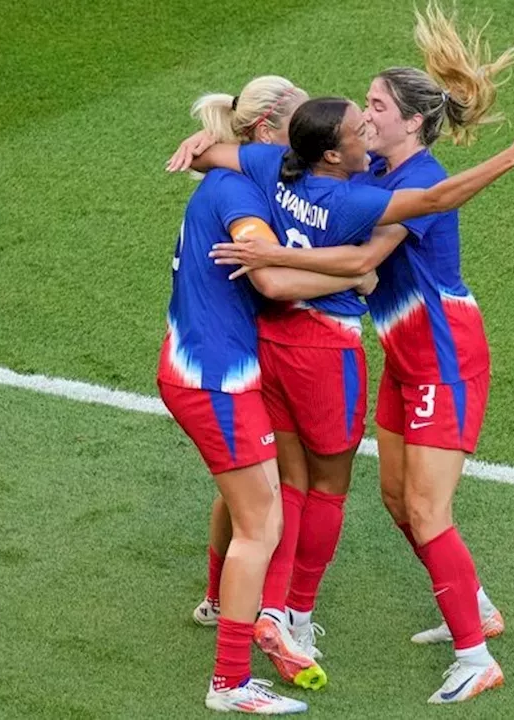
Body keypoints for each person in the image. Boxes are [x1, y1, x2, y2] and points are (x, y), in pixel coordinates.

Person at [202, 1, 514, 704]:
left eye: (377, 106)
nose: (368, 115)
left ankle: (476, 657)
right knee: (392, 497)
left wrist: (269, 258)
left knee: (425, 508)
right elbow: (301, 172)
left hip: (445, 355)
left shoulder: (415, 181)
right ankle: (474, 607)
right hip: (405, 357)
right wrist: (214, 149)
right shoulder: (374, 174)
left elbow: (364, 257)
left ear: (410, 121)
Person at [159, 76, 378, 714]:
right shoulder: (239, 196)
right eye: (298, 125)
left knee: (242, 497)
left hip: (198, 368)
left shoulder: (236, 179)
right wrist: (355, 269)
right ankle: (230, 682)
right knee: (265, 521)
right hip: (216, 379)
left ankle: (214, 600)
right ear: (265, 133)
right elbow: (276, 281)